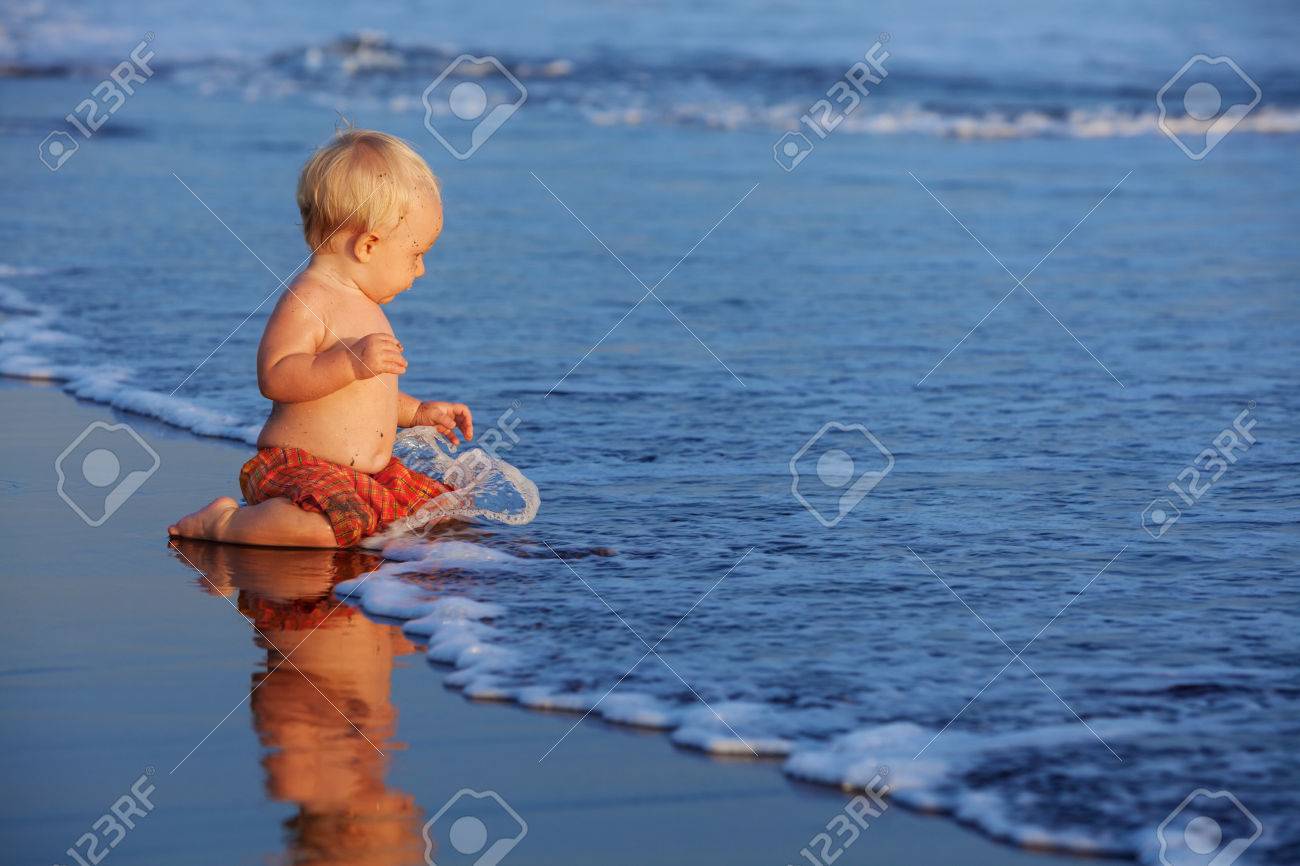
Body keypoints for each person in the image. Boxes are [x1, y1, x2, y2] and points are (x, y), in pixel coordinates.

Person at [170, 128, 472, 547]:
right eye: (416, 255)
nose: (420, 271)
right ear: (368, 246)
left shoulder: (368, 308)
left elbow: (365, 398)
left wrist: (418, 411)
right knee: (329, 529)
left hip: (360, 473)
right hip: (297, 467)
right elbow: (275, 377)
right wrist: (348, 362)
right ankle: (223, 523)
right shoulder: (309, 297)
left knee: (442, 511)